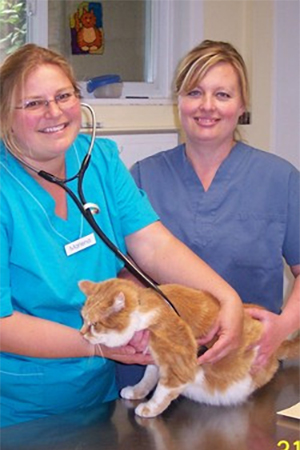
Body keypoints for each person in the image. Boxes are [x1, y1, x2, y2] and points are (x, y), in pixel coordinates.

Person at [0, 44, 244, 428]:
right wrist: (101, 344)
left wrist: (227, 298)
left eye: (64, 96)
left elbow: (153, 243)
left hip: (97, 396)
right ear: (5, 117)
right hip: (18, 408)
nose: (54, 112)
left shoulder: (98, 159)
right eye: (33, 103)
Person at [130, 40, 300, 371]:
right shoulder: (143, 176)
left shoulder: (280, 179)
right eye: (194, 92)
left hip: (245, 364)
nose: (207, 106)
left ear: (242, 105)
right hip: (159, 364)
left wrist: (283, 327)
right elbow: (124, 270)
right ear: (178, 101)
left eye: (222, 95)